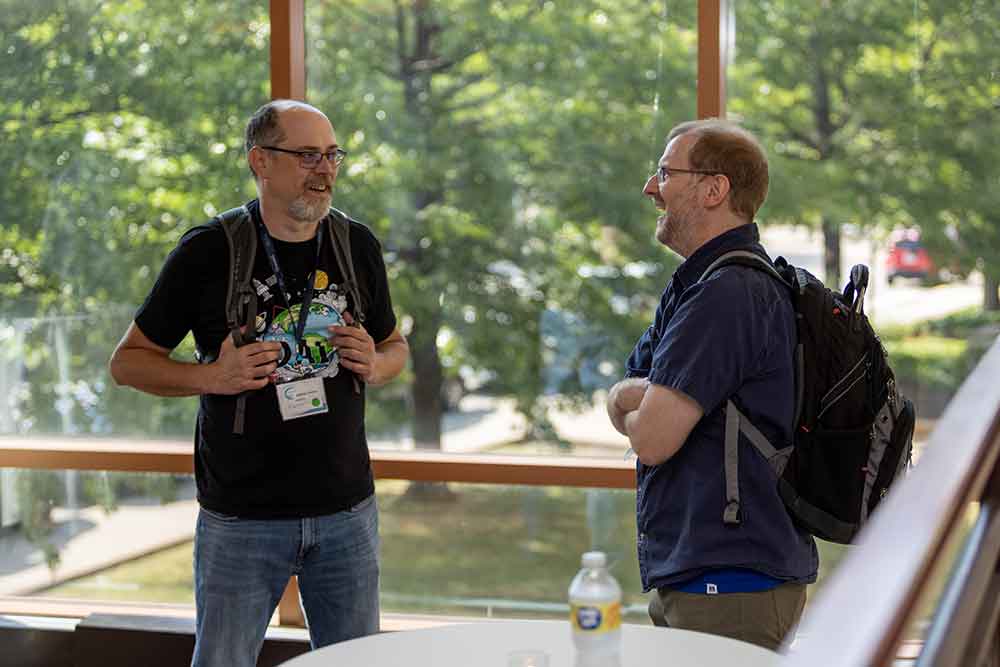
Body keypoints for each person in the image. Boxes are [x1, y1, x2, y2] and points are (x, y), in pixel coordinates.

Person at [109, 99, 409, 666]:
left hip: (347, 514)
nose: (324, 170)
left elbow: (395, 349)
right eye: (306, 155)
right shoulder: (209, 250)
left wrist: (377, 361)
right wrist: (212, 377)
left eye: (331, 155)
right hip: (241, 519)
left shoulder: (356, 245)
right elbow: (128, 363)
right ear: (260, 162)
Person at [605, 119, 817, 651]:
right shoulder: (700, 284)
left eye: (664, 172)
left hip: (733, 585)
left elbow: (651, 438)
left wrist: (634, 397)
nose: (650, 187)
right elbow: (635, 399)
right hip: (710, 577)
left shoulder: (728, 294)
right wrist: (636, 397)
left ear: (714, 188)